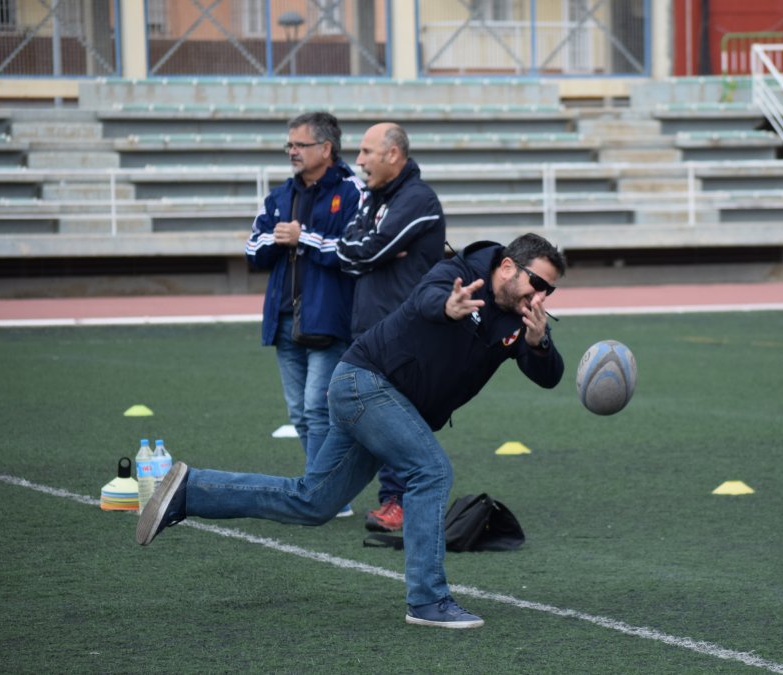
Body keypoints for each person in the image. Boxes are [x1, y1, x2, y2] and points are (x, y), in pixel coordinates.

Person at [138, 233, 566, 630]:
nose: (542, 296)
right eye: (537, 282)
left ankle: (189, 490)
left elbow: (549, 376)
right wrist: (448, 307)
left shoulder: (520, 317)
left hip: (380, 398)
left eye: (549, 290)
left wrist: (538, 343)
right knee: (431, 471)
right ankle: (428, 600)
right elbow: (427, 298)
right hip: (366, 384)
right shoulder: (461, 275)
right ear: (508, 266)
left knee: (313, 501)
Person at [245, 112, 364, 517]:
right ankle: (331, 492)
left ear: (326, 149)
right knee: (299, 411)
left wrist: (305, 238)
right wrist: (275, 240)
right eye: (289, 145)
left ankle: (322, 493)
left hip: (329, 319)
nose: (292, 152)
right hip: (283, 317)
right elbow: (251, 250)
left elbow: (355, 251)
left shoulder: (353, 192)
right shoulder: (280, 195)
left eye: (300, 145)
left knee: (318, 408)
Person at [335, 122, 445, 534]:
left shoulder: (418, 199)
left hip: (403, 330)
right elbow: (349, 252)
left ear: (393, 154)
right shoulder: (374, 198)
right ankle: (334, 492)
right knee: (358, 416)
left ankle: (398, 500)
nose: (359, 161)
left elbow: (368, 250)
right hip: (368, 326)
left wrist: (370, 250)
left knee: (396, 415)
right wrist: (370, 250)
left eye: (366, 152)